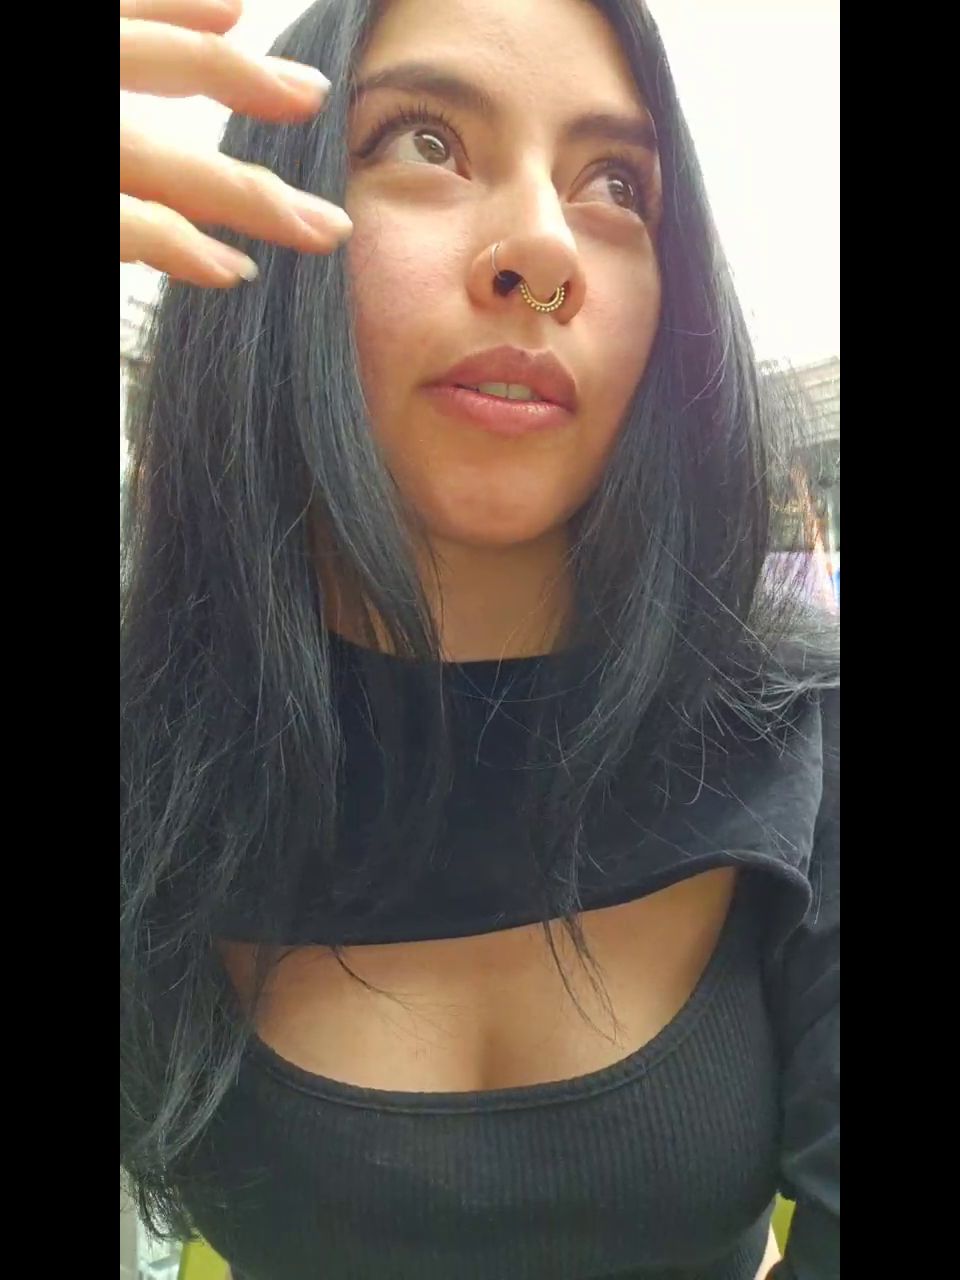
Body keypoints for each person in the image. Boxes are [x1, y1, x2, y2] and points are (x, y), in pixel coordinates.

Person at [120, 2, 839, 1278]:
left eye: (615, 183)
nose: (546, 249)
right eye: (426, 143)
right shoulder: (154, 757)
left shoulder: (803, 730)